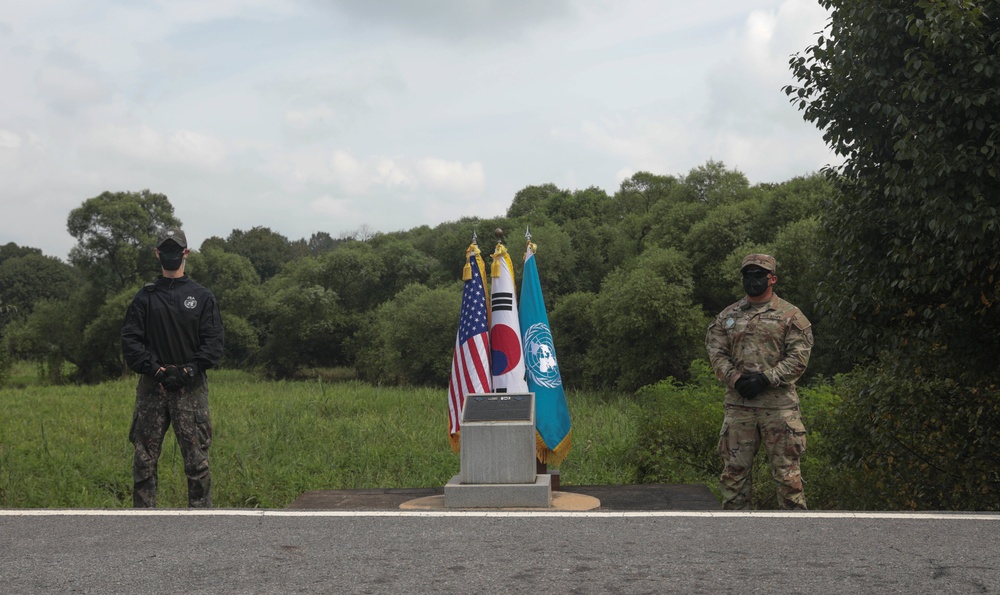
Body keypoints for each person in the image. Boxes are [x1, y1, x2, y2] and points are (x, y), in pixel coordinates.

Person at [121, 228, 224, 508]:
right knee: (144, 460)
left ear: (185, 253)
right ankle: (144, 520)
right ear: (157, 254)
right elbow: (130, 341)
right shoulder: (145, 297)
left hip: (190, 390)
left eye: (175, 250)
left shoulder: (202, 297)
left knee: (197, 461)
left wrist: (189, 370)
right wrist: (155, 370)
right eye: (164, 250)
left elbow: (213, 344)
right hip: (153, 388)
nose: (170, 255)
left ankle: (201, 521)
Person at [705, 253, 813, 510]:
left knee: (788, 477)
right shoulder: (727, 316)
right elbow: (715, 352)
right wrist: (734, 378)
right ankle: (735, 536)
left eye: (758, 275)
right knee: (734, 476)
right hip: (739, 406)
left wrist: (767, 378)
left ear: (772, 278)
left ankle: (797, 536)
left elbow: (799, 357)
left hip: (779, 408)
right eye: (747, 275)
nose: (752, 280)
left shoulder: (790, 315)